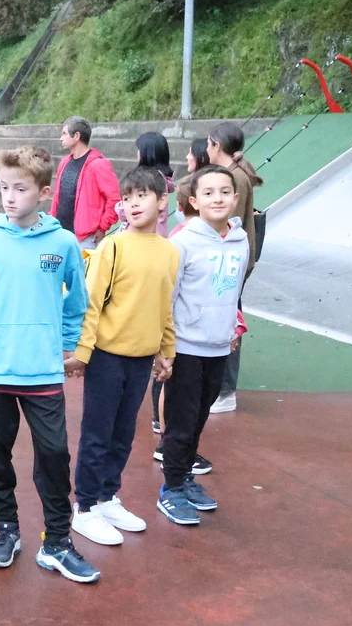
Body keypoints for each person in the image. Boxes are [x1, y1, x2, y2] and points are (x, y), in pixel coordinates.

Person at [0, 146, 98, 583]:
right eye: (4, 187)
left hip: (42, 370)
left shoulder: (63, 243)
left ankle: (57, 541)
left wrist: (65, 344)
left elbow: (77, 301)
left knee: (54, 454)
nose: (10, 197)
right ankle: (7, 529)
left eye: (20, 189)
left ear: (43, 192)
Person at [65, 167, 178, 547]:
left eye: (142, 196)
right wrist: (83, 353)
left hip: (142, 359)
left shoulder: (170, 252)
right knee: (97, 434)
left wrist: (166, 351)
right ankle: (84, 507)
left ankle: (106, 496)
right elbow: (91, 302)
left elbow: (165, 306)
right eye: (127, 197)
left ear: (162, 202)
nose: (133, 204)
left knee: (124, 434)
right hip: (107, 358)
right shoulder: (112, 247)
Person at [157, 165, 249, 526]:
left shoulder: (240, 241)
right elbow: (167, 296)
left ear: (236, 198)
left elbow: (234, 290)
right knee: (180, 422)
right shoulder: (182, 243)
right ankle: (170, 489)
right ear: (194, 201)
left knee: (198, 418)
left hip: (219, 346)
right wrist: (164, 347)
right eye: (208, 193)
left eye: (224, 192)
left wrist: (233, 326)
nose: (218, 199)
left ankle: (184, 478)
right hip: (186, 346)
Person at [151, 138, 210, 441]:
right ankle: (165, 436)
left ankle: (166, 433)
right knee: (170, 387)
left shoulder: (221, 242)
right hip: (180, 335)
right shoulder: (179, 241)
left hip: (191, 335)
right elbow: (168, 294)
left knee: (183, 393)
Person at [205, 123, 261, 414]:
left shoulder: (234, 178)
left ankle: (225, 390)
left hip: (231, 263)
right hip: (231, 261)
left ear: (217, 146)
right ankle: (220, 388)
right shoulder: (233, 174)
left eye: (209, 144)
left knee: (230, 321)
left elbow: (229, 224)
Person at [51, 116, 120, 249]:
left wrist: (103, 226)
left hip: (84, 238)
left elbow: (115, 199)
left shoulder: (98, 165)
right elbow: (57, 197)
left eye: (64, 134)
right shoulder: (64, 162)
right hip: (60, 232)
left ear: (77, 136)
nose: (61, 138)